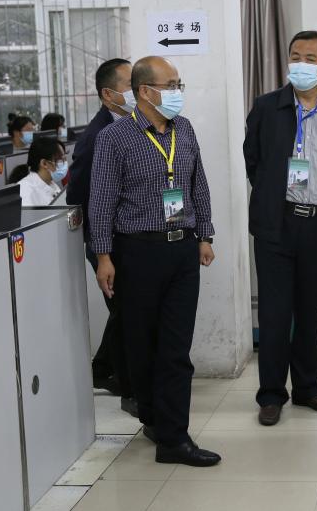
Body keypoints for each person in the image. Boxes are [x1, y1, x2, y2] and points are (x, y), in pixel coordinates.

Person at [89, 55, 219, 467]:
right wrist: (104, 256)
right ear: (145, 91)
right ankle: (153, 418)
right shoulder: (115, 138)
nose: (178, 92)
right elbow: (102, 200)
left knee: (176, 348)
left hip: (182, 249)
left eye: (179, 84)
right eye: (171, 85)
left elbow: (198, 185)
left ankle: (174, 438)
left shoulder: (185, 129)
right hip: (137, 252)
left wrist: (205, 235)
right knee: (141, 345)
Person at [243, 30, 317, 427]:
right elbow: (253, 159)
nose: (301, 64)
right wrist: (275, 195)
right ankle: (271, 394)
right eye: (295, 56)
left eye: (310, 58)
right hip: (276, 223)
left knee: (310, 312)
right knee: (275, 314)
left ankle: (308, 388)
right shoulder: (266, 107)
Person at [67, 57, 136, 413]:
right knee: (126, 311)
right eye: (130, 85)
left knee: (126, 309)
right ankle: (127, 386)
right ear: (109, 95)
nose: (138, 91)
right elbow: (77, 195)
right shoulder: (96, 137)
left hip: (130, 238)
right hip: (107, 241)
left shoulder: (134, 125)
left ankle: (105, 368)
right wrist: (100, 249)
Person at [18, 138, 67, 206]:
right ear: (44, 163)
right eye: (60, 159)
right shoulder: (25, 190)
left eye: (64, 158)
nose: (64, 163)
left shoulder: (51, 184)